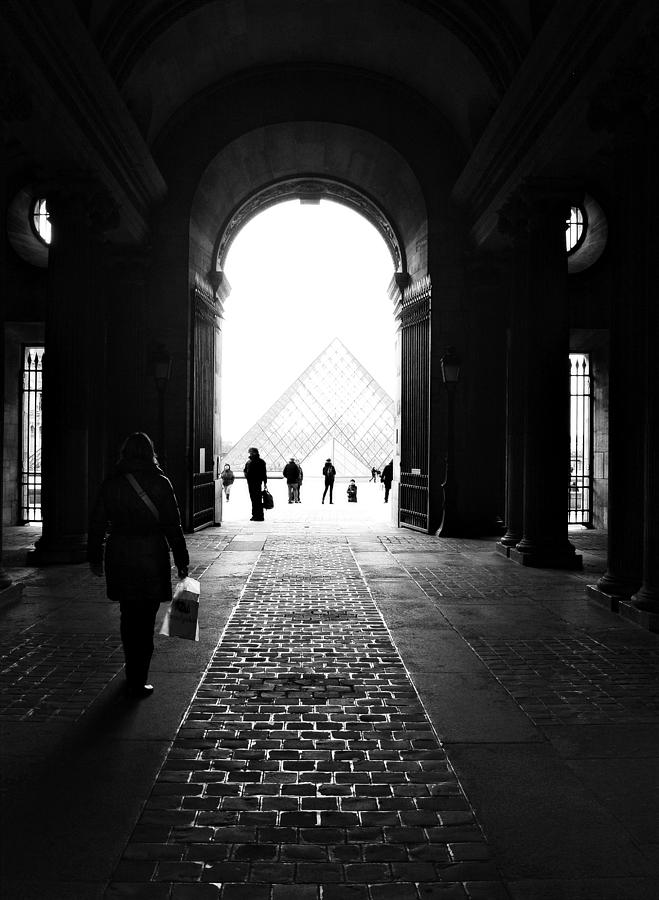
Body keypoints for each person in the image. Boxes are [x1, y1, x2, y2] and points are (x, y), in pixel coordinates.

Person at [87, 432, 189, 699]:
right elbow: (172, 525)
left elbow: (97, 523)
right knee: (146, 618)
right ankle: (139, 677)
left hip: (120, 552)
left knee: (128, 614)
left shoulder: (112, 483)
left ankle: (131, 672)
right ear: (150, 452)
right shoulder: (161, 482)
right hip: (151, 553)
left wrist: (94, 557)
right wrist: (181, 560)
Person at [244, 447, 268, 521]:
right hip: (255, 482)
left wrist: (247, 476)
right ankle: (257, 515)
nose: (250, 454)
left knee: (256, 499)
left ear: (255, 453)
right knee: (256, 499)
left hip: (254, 483)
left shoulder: (250, 462)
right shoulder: (260, 462)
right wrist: (265, 482)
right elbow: (264, 473)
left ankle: (257, 515)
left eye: (250, 452)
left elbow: (245, 471)